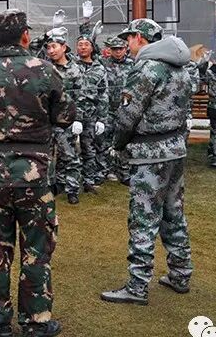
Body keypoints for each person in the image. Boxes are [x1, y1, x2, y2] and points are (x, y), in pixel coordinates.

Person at [0, 9, 73, 337]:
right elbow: (65, 117)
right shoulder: (46, 71)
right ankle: (35, 321)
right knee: (36, 248)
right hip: (35, 173)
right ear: (25, 35)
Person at [101, 18, 194, 305]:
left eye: (129, 38)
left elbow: (128, 115)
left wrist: (117, 144)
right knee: (173, 214)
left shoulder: (145, 68)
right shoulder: (180, 68)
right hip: (175, 148)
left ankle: (137, 286)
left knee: (143, 217)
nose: (127, 44)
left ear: (139, 38)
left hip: (150, 154)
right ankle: (181, 274)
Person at [43, 28, 87, 204]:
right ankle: (50, 187)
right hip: (46, 121)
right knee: (45, 157)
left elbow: (81, 96)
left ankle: (72, 189)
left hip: (66, 121)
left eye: (54, 46)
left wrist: (78, 119)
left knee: (69, 156)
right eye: (48, 47)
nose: (51, 50)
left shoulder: (75, 70)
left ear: (64, 47)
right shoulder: (44, 68)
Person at [73, 33, 108, 191]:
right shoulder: (71, 65)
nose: (83, 47)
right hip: (71, 115)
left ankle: (89, 181)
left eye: (86, 44)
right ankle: (69, 182)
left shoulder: (99, 68)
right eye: (80, 44)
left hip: (91, 115)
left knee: (89, 148)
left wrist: (102, 119)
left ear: (92, 48)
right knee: (69, 150)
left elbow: (103, 94)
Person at [100, 36, 134, 183]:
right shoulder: (103, 63)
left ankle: (124, 170)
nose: (118, 52)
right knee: (106, 140)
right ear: (110, 50)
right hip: (109, 109)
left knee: (125, 140)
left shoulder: (133, 64)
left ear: (125, 49)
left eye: (120, 49)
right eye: (115, 49)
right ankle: (107, 169)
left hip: (126, 109)